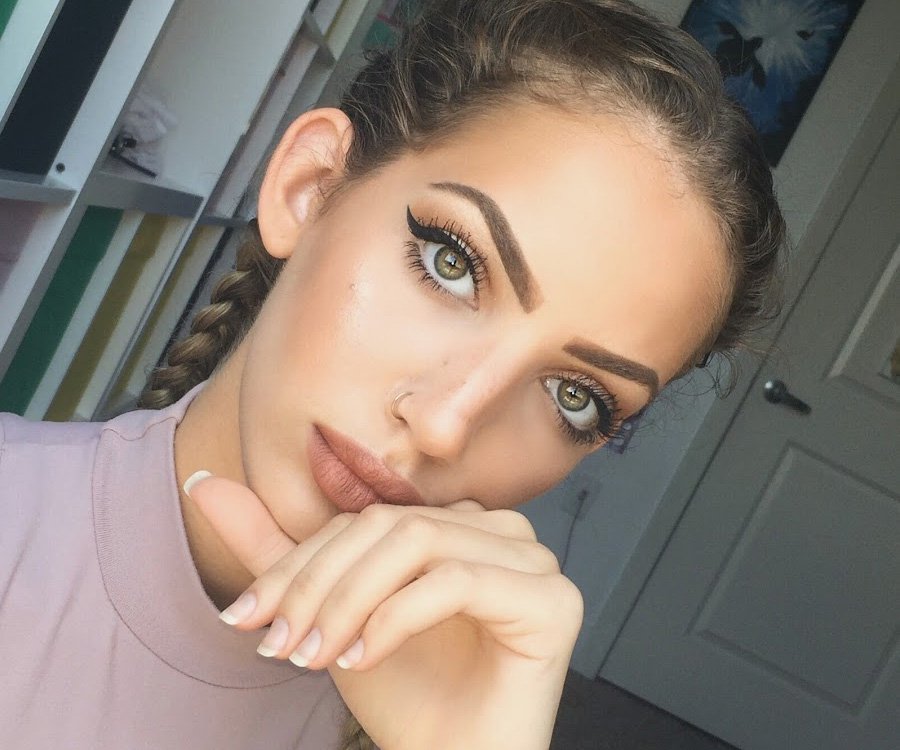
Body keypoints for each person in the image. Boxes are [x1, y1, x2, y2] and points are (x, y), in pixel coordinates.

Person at [0, 0, 785, 748]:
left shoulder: (458, 708)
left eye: (574, 397)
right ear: (310, 188)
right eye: (452, 263)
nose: (444, 425)